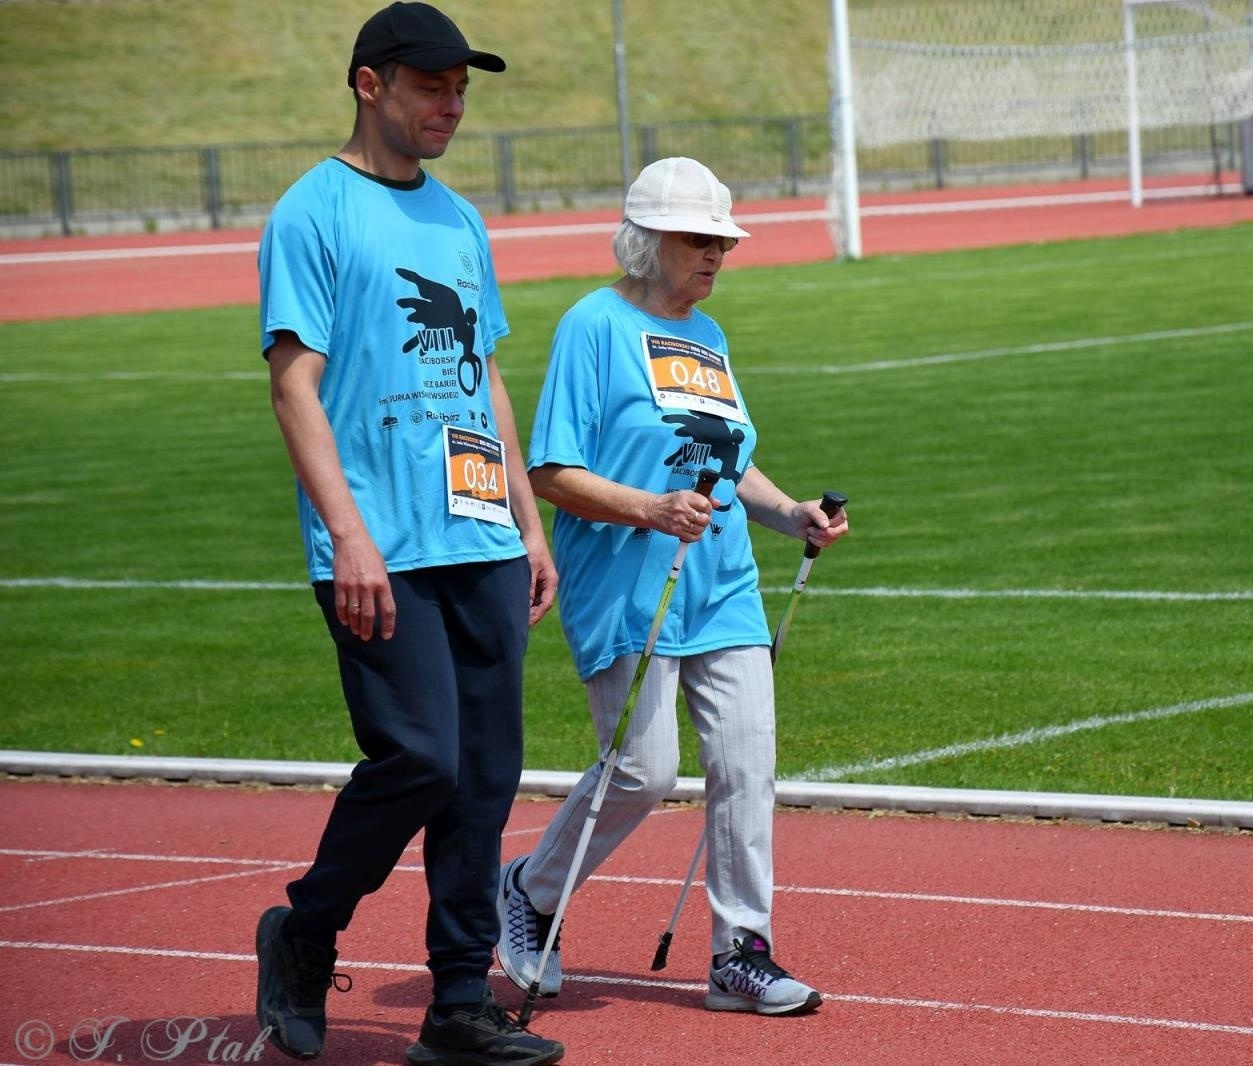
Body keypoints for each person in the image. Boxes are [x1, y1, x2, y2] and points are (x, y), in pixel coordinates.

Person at [252, 4, 563, 1064]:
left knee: (484, 776)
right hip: (380, 544)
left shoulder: (460, 219)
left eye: (461, 89)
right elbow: (294, 387)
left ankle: (459, 1005)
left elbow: (486, 377)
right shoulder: (313, 212)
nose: (452, 105)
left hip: (481, 536)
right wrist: (348, 535)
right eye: (432, 85)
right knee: (422, 758)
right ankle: (307, 928)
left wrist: (527, 523)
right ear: (369, 84)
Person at [495, 157, 848, 1017]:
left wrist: (788, 513)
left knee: (746, 763)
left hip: (721, 582)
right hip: (627, 584)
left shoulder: (709, 335)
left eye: (723, 241)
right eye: (698, 240)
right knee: (644, 772)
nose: (716, 255)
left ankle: (739, 953)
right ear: (647, 241)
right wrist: (650, 509)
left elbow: (727, 460)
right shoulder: (593, 326)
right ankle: (532, 891)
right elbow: (550, 473)